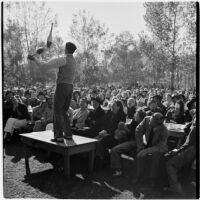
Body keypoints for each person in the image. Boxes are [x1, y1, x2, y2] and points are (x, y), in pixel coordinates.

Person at [28, 42, 77, 142]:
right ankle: (68, 134)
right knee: (63, 111)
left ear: (66, 49)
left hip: (62, 86)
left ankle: (58, 136)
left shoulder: (63, 59)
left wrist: (34, 59)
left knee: (57, 111)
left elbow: (44, 66)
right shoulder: (74, 61)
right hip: (70, 86)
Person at [133, 112, 168, 187]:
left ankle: (152, 178)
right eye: (150, 120)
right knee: (139, 154)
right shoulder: (146, 119)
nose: (149, 123)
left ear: (157, 124)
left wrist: (145, 151)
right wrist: (140, 145)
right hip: (146, 144)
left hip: (158, 148)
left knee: (155, 157)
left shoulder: (164, 130)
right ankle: (139, 176)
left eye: (151, 122)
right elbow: (138, 130)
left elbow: (160, 147)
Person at [164, 116, 196, 194]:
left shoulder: (195, 128)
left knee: (170, 164)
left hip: (192, 150)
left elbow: (187, 145)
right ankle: (178, 178)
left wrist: (177, 151)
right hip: (193, 151)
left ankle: (175, 187)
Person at [110, 108, 146, 176]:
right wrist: (123, 127)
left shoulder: (142, 125)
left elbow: (135, 136)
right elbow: (130, 130)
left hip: (135, 142)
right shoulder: (134, 121)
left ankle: (118, 170)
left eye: (136, 114)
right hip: (130, 140)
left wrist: (125, 129)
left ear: (140, 117)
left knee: (115, 150)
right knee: (113, 141)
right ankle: (114, 165)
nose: (135, 115)